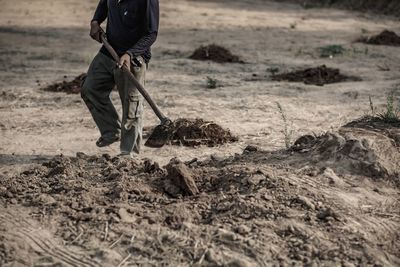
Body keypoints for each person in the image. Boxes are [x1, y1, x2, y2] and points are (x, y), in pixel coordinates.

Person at [81, 0, 159, 158]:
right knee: (90, 89)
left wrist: (130, 54)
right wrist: (96, 20)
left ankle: (128, 154)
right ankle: (111, 130)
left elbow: (151, 34)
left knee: (132, 105)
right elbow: (104, 3)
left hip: (134, 58)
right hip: (109, 50)